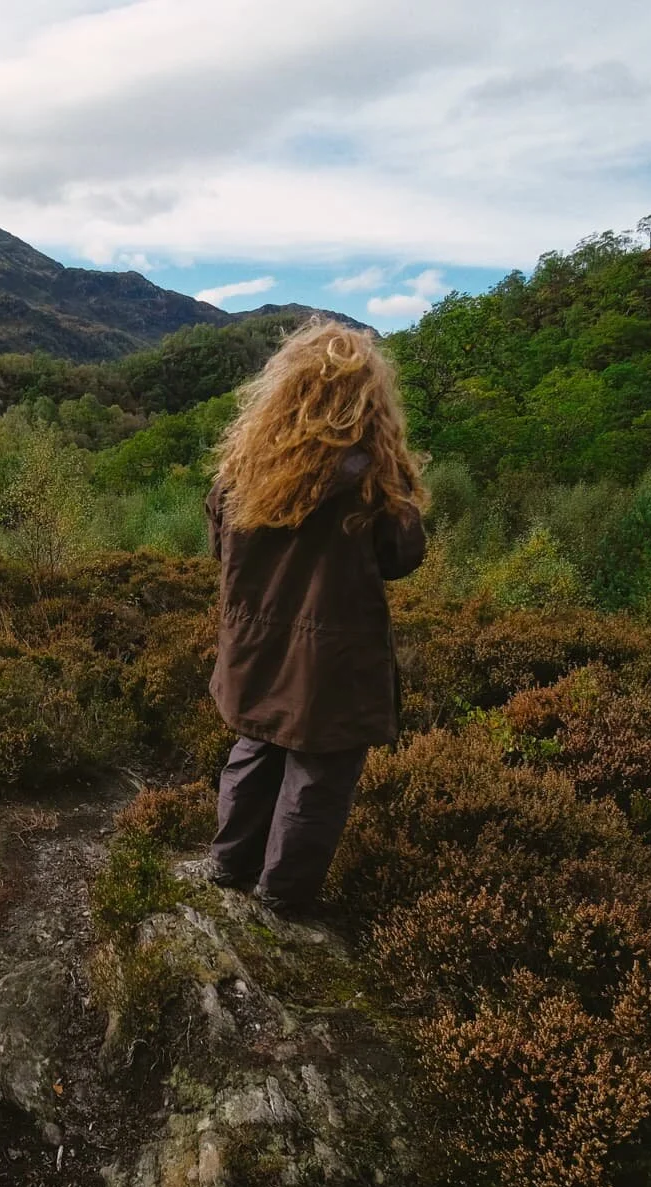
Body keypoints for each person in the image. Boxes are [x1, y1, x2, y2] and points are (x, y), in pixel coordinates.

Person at [186, 320, 429, 915]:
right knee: (319, 776)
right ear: (367, 400)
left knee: (255, 746)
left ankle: (228, 864)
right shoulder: (375, 478)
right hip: (334, 661)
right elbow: (403, 558)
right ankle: (284, 901)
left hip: (252, 646)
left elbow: (221, 551)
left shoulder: (240, 470)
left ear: (284, 391)